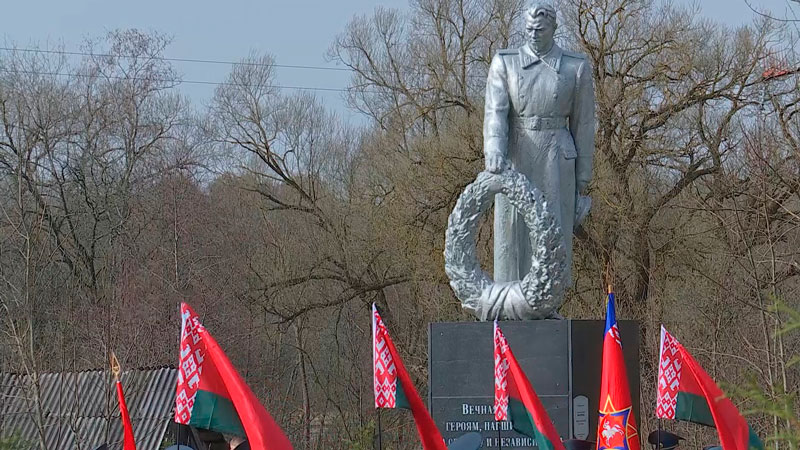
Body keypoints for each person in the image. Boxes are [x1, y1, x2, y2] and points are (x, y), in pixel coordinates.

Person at [484, 2, 595, 288]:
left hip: (556, 156)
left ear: (553, 29)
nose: (534, 35)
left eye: (540, 30)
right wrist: (495, 149)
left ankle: (549, 296)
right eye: (529, 29)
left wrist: (583, 182)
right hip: (517, 152)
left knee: (552, 228)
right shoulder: (505, 62)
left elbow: (583, 125)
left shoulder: (575, 67)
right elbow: (495, 112)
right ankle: (510, 297)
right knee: (513, 230)